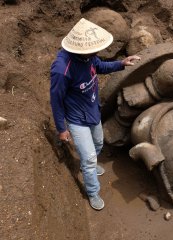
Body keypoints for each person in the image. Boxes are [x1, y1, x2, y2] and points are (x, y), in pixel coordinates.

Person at [50, 18, 140, 210]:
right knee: (90, 157)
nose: (96, 53)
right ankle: (92, 191)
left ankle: (86, 166)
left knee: (99, 143)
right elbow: (56, 100)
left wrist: (121, 63)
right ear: (79, 49)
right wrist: (61, 128)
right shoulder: (62, 70)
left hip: (92, 110)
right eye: (94, 50)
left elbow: (99, 66)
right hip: (76, 120)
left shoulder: (87, 56)